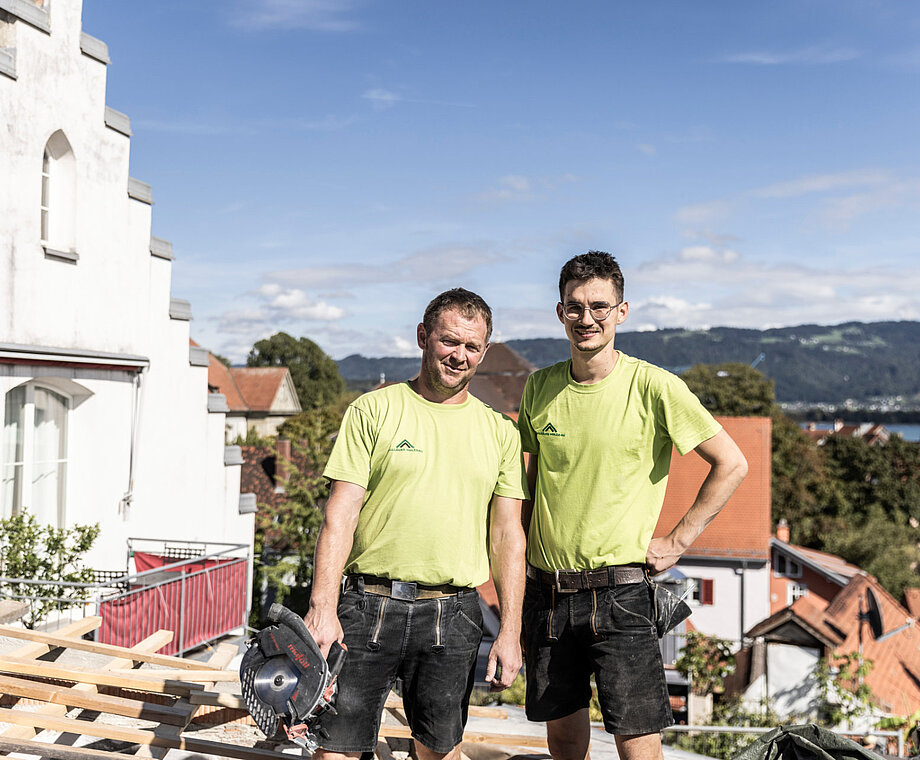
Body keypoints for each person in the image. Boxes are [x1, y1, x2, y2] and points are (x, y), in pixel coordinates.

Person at [518, 251, 748, 760]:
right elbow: (530, 488)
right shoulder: (539, 387)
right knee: (563, 744)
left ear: (623, 311)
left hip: (621, 594)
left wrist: (678, 540)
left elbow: (732, 464)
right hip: (549, 594)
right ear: (560, 312)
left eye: (600, 306)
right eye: (574, 307)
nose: (586, 318)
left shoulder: (655, 386)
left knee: (637, 745)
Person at [305, 288, 528, 760]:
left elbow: (509, 537)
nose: (459, 355)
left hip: (453, 614)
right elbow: (339, 515)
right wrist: (322, 607)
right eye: (449, 341)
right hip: (367, 607)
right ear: (424, 336)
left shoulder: (501, 432)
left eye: (471, 347)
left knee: (439, 752)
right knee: (335, 752)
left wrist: (510, 631)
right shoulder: (375, 410)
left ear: (484, 352)